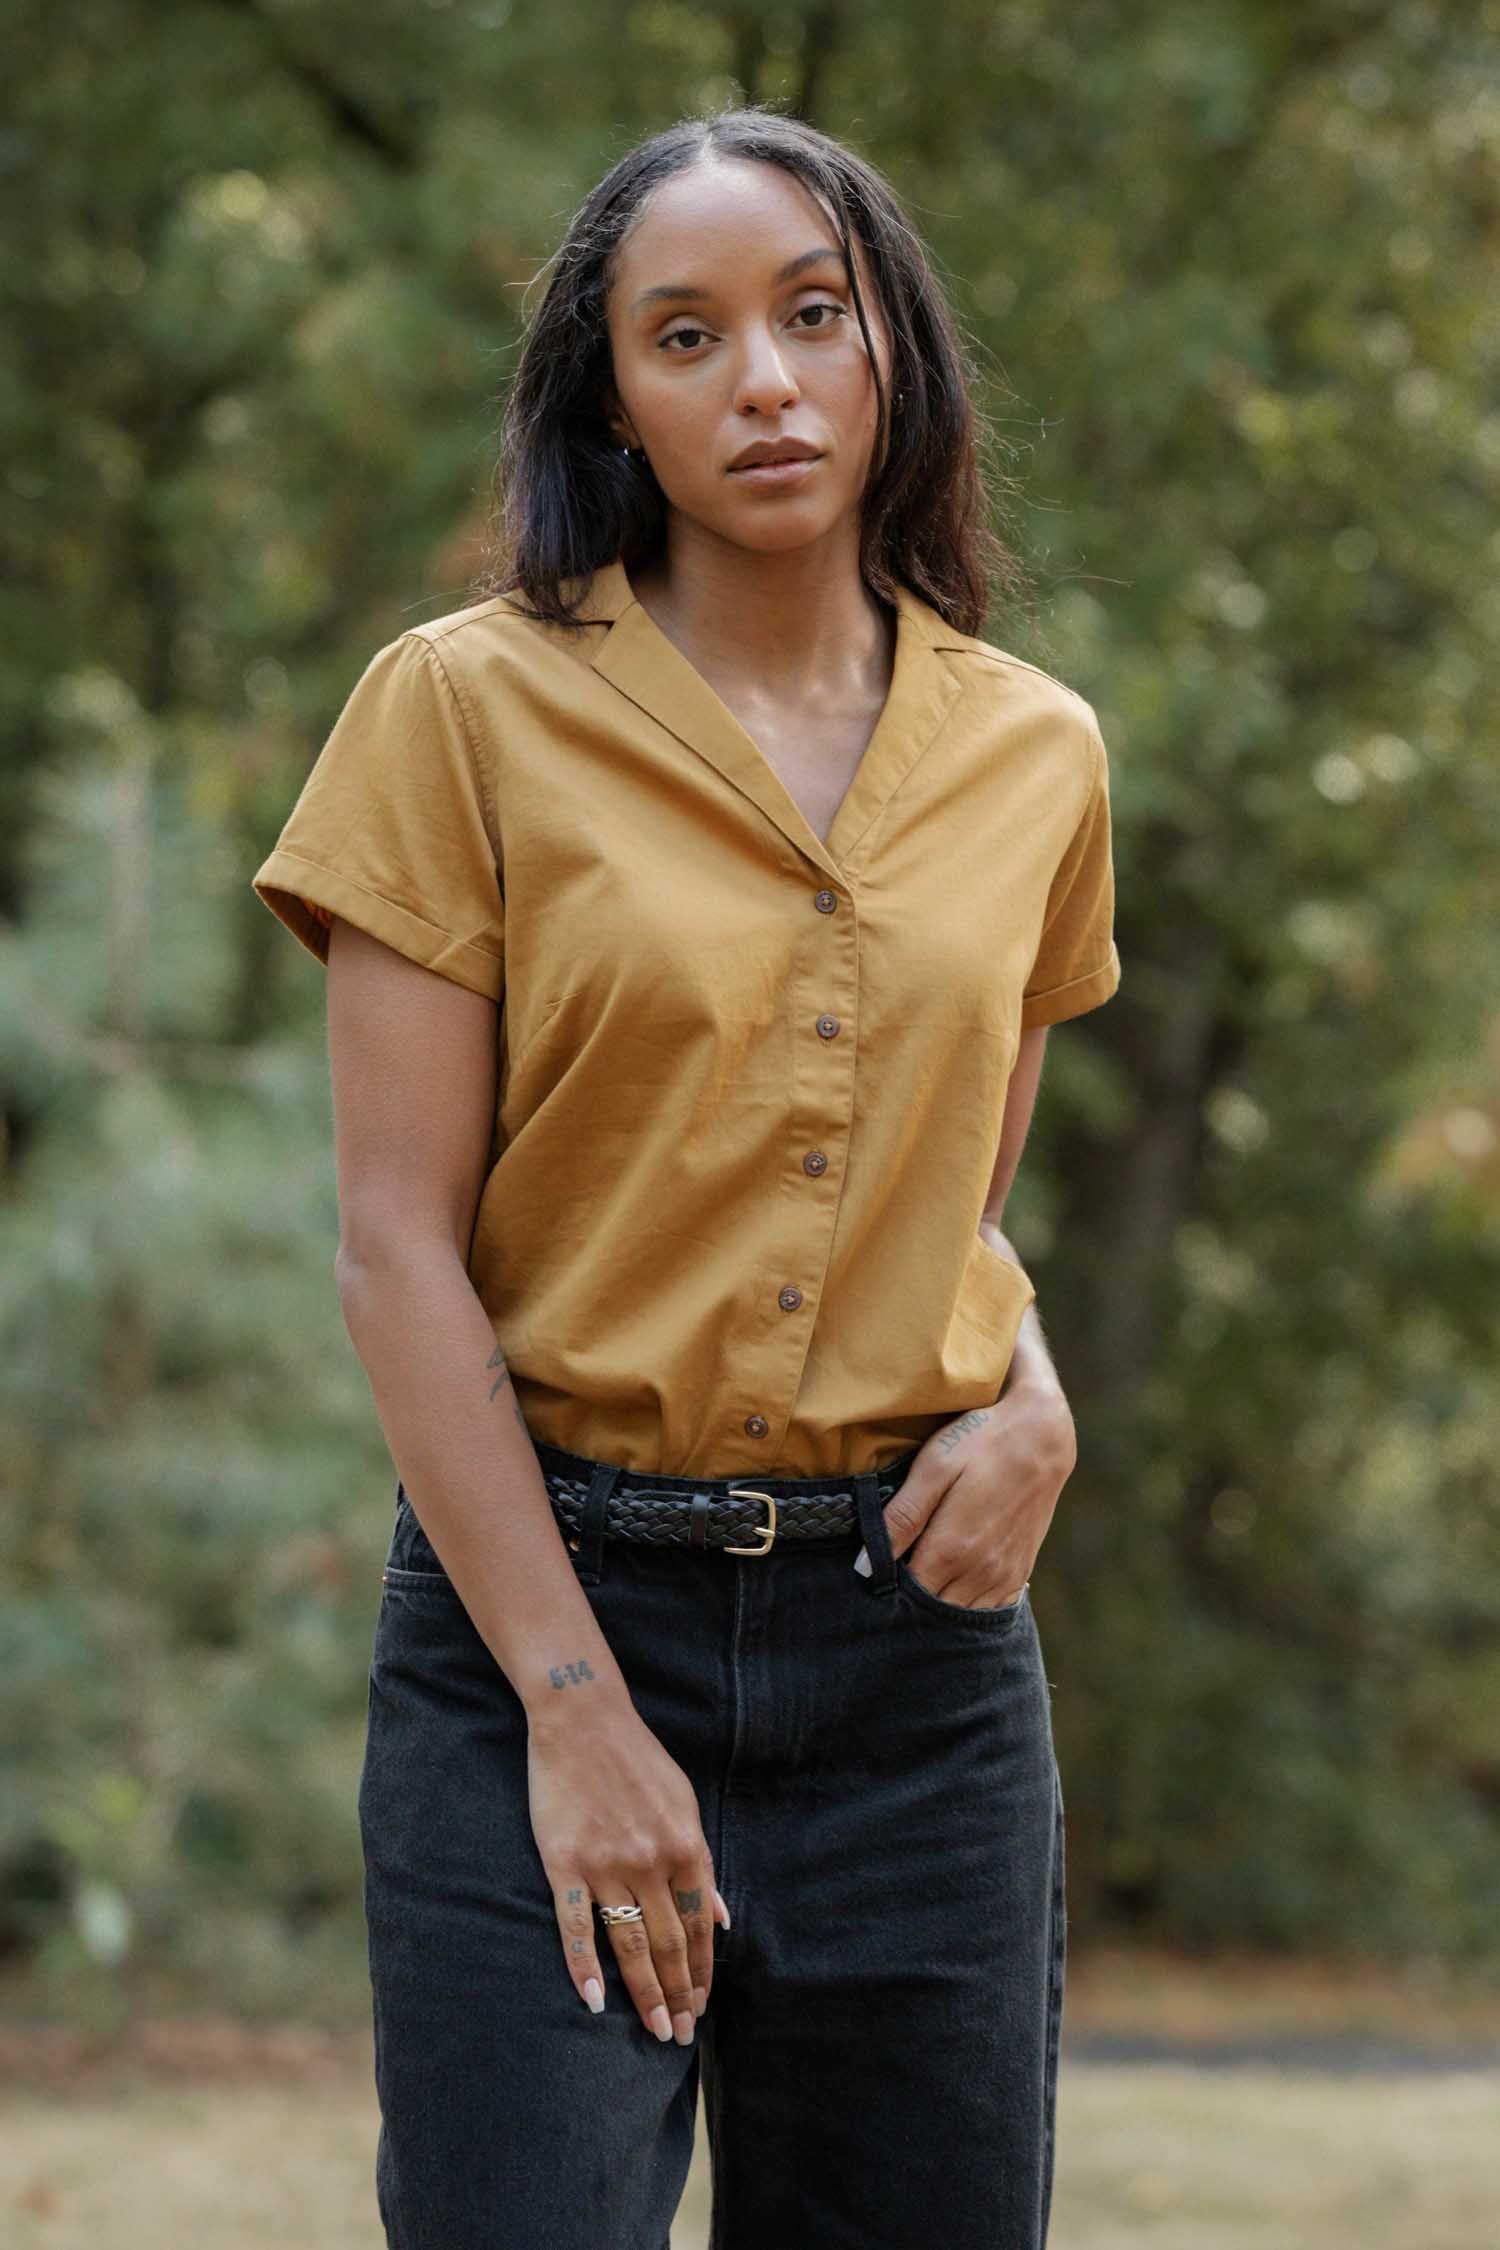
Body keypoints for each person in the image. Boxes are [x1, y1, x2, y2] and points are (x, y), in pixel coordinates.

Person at [251, 101, 1120, 2250]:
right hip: (548, 1609)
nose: (765, 380)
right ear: (611, 400)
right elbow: (393, 1245)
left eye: (813, 316)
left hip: (917, 1654)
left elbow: (948, 1199)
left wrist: (1025, 1379)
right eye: (687, 335)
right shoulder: (459, 715)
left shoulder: (1036, 755)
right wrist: (568, 1706)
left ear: (889, 349)